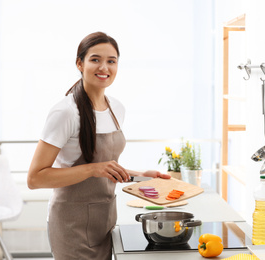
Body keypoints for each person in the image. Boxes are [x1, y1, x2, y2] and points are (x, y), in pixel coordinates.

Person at [27, 31, 170, 260]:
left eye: (111, 61)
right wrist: (92, 169)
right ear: (80, 63)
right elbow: (35, 178)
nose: (104, 67)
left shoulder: (116, 108)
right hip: (71, 224)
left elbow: (106, 166)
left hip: (104, 221)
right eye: (95, 59)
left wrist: (141, 175)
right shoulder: (65, 112)